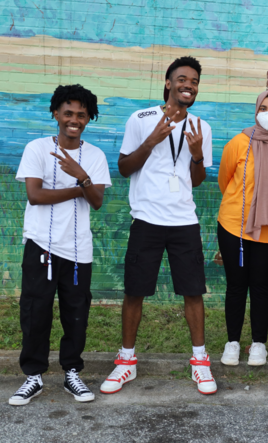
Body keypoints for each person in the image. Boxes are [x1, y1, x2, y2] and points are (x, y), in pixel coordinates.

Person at [100, 56, 216, 395]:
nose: (188, 85)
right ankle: (126, 363)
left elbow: (196, 181)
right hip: (147, 219)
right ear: (168, 83)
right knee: (135, 291)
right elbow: (123, 168)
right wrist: (151, 140)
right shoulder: (140, 119)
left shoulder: (201, 128)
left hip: (184, 221)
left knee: (193, 292)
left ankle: (199, 362)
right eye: (182, 79)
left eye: (194, 81)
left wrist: (196, 155)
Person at [9, 85, 111, 406]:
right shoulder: (37, 148)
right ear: (56, 113)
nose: (74, 120)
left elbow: (96, 200)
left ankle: (72, 372)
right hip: (41, 245)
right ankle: (34, 376)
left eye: (81, 115)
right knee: (35, 311)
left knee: (76, 313)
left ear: (88, 118)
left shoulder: (94, 156)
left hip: (79, 249)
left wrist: (81, 176)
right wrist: (79, 187)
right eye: (68, 113)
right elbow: (35, 195)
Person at [217, 90, 268, 366]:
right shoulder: (239, 143)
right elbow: (225, 180)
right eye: (264, 107)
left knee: (261, 287)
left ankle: (259, 344)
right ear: (256, 110)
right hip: (233, 227)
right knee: (236, 286)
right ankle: (232, 342)